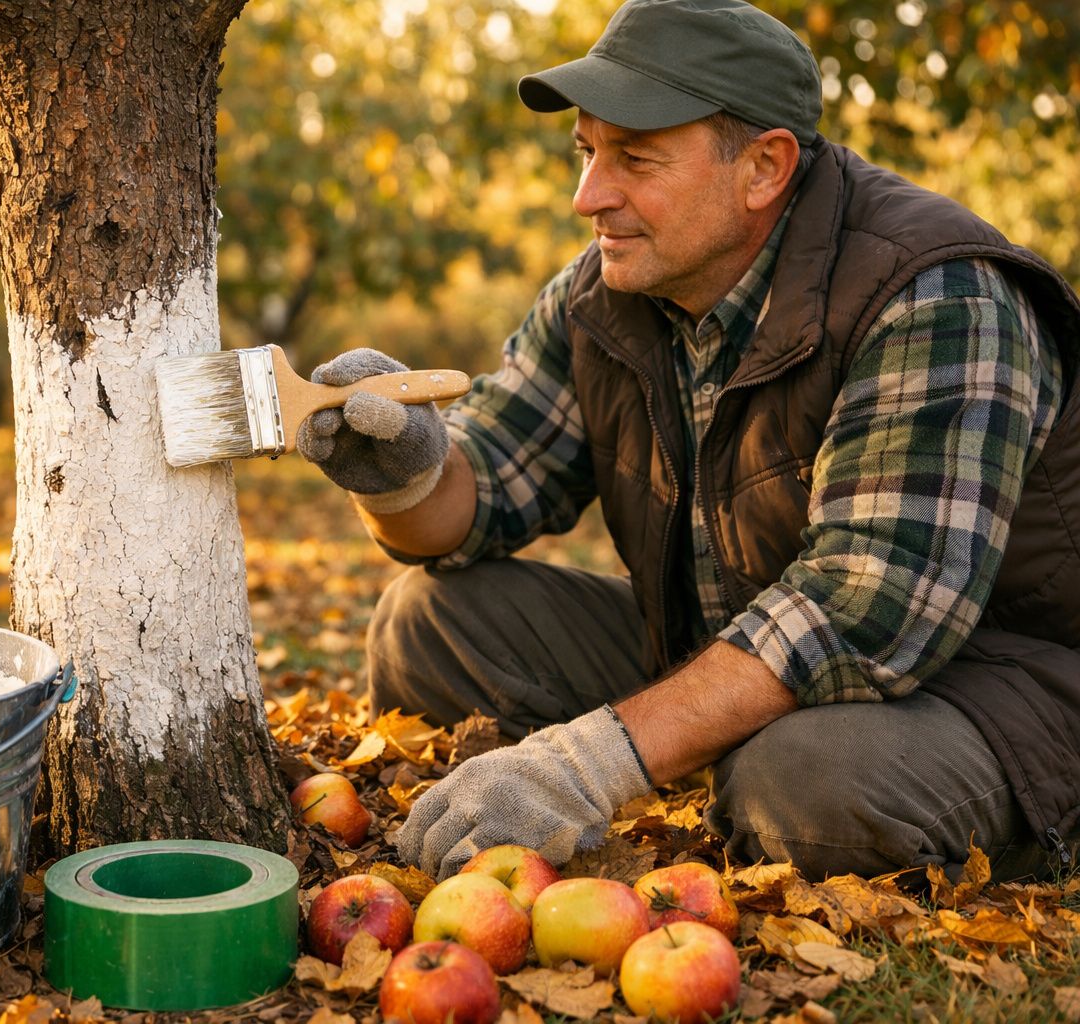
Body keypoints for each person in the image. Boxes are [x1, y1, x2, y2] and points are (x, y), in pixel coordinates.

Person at [297, 0, 1080, 882]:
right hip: (728, 645)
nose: (587, 195)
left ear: (764, 167)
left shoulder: (936, 295)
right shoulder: (606, 290)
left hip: (997, 683)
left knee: (801, 782)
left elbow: (864, 607)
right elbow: (485, 491)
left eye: (635, 157)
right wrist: (404, 471)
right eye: (588, 151)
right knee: (425, 624)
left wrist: (586, 763)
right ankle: (697, 747)